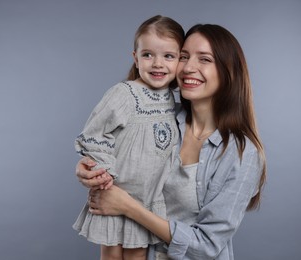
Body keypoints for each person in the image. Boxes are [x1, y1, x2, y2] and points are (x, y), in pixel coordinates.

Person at [77, 23, 267, 260]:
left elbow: (207, 246)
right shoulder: (157, 120)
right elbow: (112, 149)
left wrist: (128, 207)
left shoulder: (242, 154)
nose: (188, 67)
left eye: (204, 59)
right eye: (184, 56)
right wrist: (89, 166)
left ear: (228, 71)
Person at [72, 15, 184, 260]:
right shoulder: (124, 94)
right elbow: (94, 134)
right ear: (135, 57)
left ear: (179, 61)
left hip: (147, 201)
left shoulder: (173, 101)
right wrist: (104, 172)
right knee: (112, 255)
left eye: (168, 56)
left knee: (138, 256)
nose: (157, 64)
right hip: (117, 193)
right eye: (148, 55)